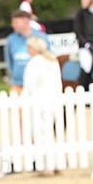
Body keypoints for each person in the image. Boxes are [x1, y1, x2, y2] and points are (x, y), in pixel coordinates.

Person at [22, 35, 63, 175]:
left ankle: (47, 166)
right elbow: (58, 82)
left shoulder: (34, 63)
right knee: (51, 132)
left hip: (39, 102)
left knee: (42, 134)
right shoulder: (53, 61)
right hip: (53, 101)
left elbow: (29, 86)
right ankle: (57, 163)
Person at [5, 10, 50, 92]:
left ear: (26, 22)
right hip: (18, 84)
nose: (13, 25)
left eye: (16, 23)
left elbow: (48, 58)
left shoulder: (41, 38)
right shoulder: (11, 40)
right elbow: (9, 61)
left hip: (38, 84)